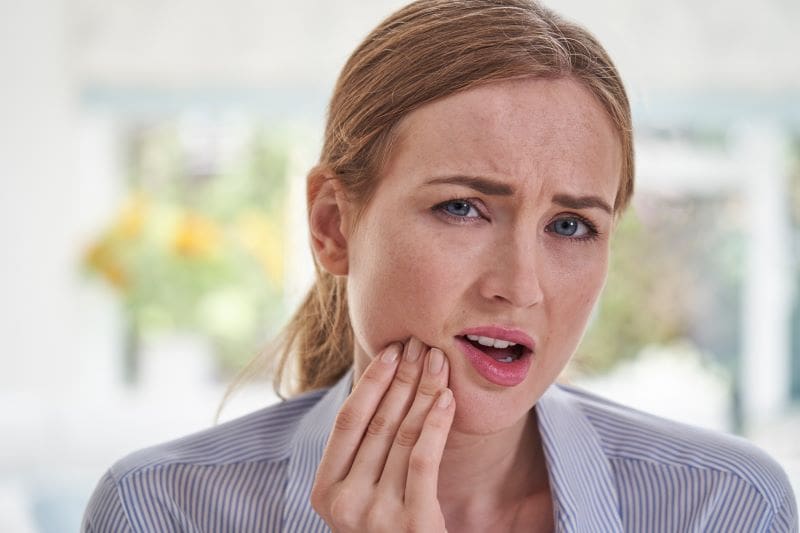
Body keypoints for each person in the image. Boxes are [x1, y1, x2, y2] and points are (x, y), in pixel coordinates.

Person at [82, 0, 798, 531]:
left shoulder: (724, 505)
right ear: (333, 224)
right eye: (463, 208)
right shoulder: (161, 510)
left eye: (571, 225)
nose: (519, 286)